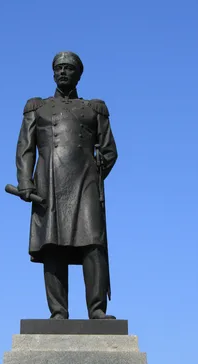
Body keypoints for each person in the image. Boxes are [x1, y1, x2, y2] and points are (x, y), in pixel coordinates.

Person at [16, 51, 118, 319]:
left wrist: (94, 177)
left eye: (68, 68)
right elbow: (26, 148)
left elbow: (109, 152)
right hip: (48, 185)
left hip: (86, 184)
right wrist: (26, 182)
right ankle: (58, 312)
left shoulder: (94, 109)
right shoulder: (37, 108)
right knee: (53, 245)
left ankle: (96, 310)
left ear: (79, 74)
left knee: (93, 244)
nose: (62, 72)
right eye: (58, 68)